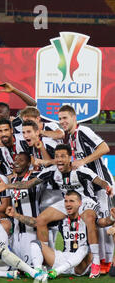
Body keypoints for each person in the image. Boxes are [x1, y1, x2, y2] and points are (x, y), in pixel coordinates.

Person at [0, 144, 114, 278]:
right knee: (41, 220)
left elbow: (100, 181)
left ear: (69, 158)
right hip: (67, 200)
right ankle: (43, 258)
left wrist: (108, 188)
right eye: (57, 157)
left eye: (63, 156)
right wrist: (6, 185)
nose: (59, 160)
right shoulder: (51, 171)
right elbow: (28, 184)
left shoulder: (80, 170)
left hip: (85, 200)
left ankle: (96, 261)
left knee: (90, 219)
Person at [59, 104, 115, 273]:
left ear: (74, 118)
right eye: (60, 119)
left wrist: (83, 161)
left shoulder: (83, 131)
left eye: (65, 118)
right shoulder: (69, 138)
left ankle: (108, 262)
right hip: (90, 187)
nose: (62, 122)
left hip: (102, 183)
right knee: (96, 222)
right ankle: (101, 261)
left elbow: (105, 147)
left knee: (106, 222)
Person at [29, 191, 115, 279]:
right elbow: (36, 222)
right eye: (66, 201)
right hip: (64, 258)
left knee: (84, 248)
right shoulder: (60, 220)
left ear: (80, 203)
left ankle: (56, 272)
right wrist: (16, 215)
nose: (68, 204)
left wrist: (112, 217)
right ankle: (38, 271)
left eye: (72, 201)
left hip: (81, 264)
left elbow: (104, 222)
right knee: (35, 244)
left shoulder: (88, 220)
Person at [3, 152, 43, 265]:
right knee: (16, 266)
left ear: (29, 163)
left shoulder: (35, 178)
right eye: (16, 160)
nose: (17, 162)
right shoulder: (13, 181)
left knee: (31, 265)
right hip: (16, 230)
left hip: (31, 230)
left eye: (21, 160)